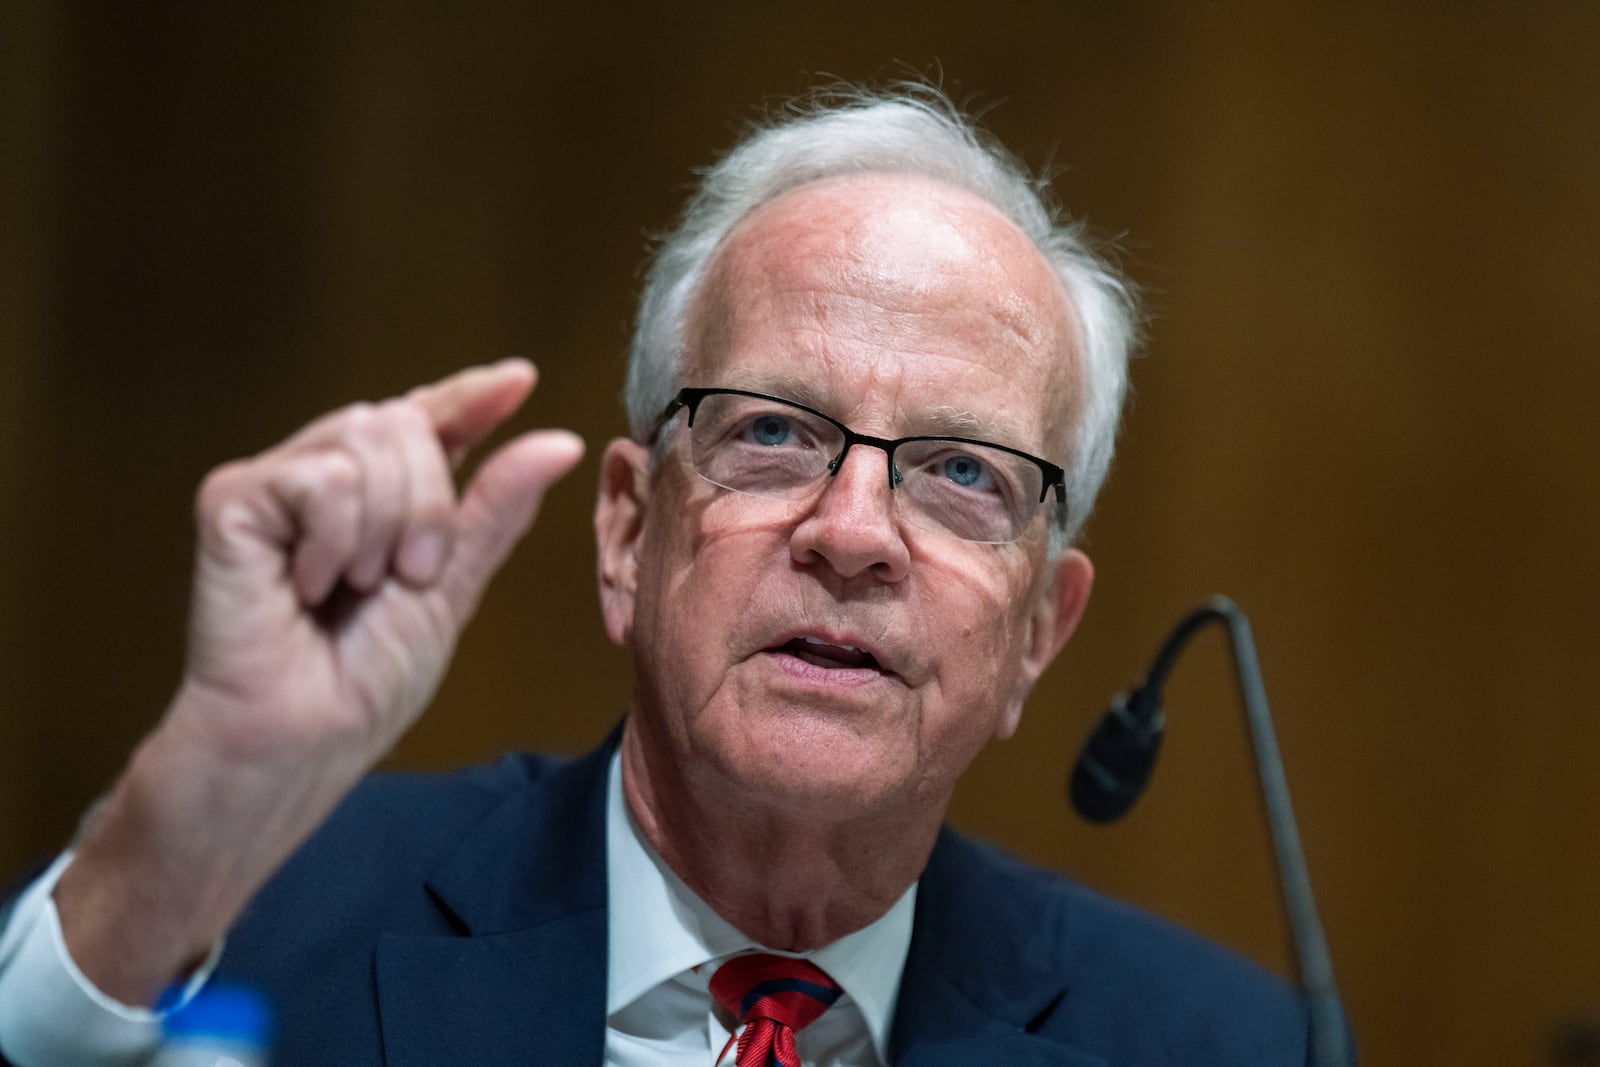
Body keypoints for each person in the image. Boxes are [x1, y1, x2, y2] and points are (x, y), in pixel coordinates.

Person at [0, 84, 1314, 1065]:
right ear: (628, 531)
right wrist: (204, 801)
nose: (852, 532)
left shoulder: (1223, 1044)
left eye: (961, 473)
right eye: (774, 434)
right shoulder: (263, 906)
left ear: (1039, 626)